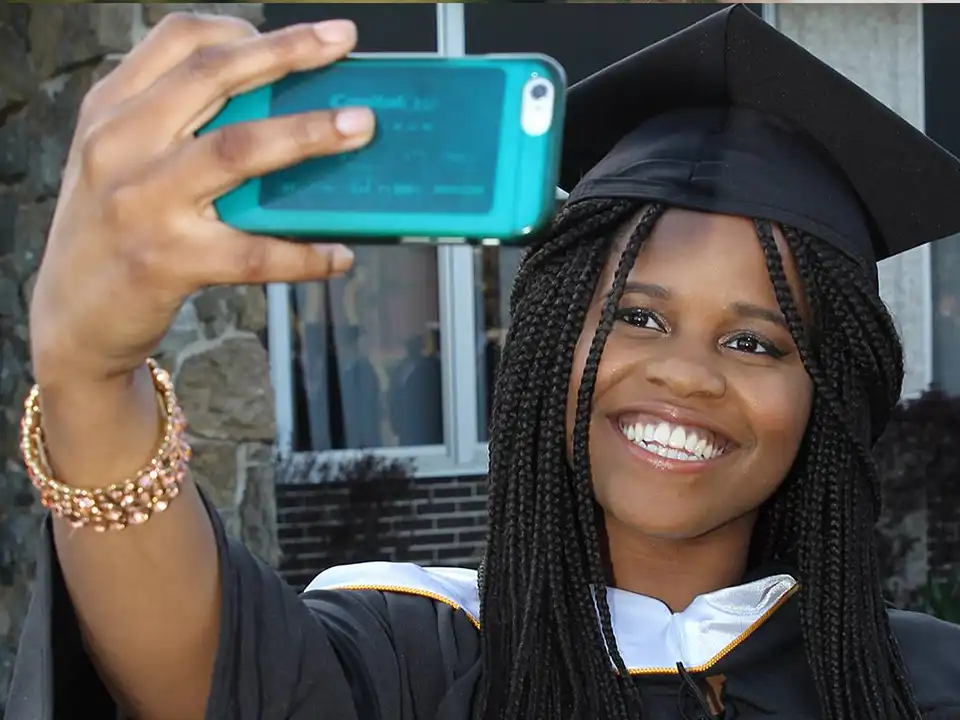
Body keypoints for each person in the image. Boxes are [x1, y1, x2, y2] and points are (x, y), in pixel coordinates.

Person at [6, 6, 960, 720]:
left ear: (826, 396)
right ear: (551, 341)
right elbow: (200, 679)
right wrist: (91, 377)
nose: (688, 374)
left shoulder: (922, 683)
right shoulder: (412, 656)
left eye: (756, 341)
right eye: (635, 315)